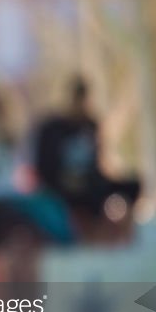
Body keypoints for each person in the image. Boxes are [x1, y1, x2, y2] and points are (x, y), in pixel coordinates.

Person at [0, 82, 76, 245]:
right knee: (36, 211)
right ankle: (65, 246)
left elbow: (16, 171)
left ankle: (69, 246)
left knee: (50, 203)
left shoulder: (7, 137)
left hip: (11, 191)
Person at [32, 74, 140, 219]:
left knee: (131, 186)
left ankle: (116, 227)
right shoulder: (51, 129)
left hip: (89, 185)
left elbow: (96, 165)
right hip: (59, 188)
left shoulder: (89, 126)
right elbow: (43, 167)